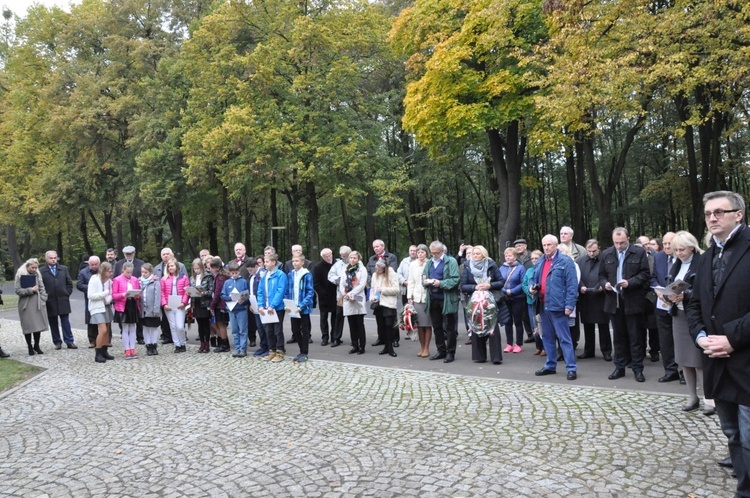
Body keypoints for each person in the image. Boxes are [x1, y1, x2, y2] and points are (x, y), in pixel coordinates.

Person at [686, 191, 750, 498]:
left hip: (745, 359)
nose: (712, 217)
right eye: (709, 213)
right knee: (732, 433)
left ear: (738, 214)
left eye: (719, 212)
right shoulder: (708, 255)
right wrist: (700, 338)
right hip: (714, 358)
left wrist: (731, 338)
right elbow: (694, 303)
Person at [660, 231, 711, 413]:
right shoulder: (676, 264)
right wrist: (668, 295)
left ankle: (709, 399)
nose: (679, 253)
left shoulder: (702, 261)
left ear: (692, 246)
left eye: (682, 249)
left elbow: (706, 289)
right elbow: (673, 284)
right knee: (684, 359)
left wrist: (685, 295)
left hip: (696, 316)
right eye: (676, 250)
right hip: (679, 315)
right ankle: (692, 396)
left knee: (698, 361)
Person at [599, 227, 651, 382]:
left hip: (632, 300)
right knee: (618, 337)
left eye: (622, 243)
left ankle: (637, 369)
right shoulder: (607, 253)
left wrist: (630, 282)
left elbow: (645, 274)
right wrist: (605, 284)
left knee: (635, 337)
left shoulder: (639, 252)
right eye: (616, 243)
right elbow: (601, 275)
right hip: (614, 301)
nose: (619, 246)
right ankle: (619, 367)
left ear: (628, 239)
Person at [530, 235, 579, 380]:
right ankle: (550, 365)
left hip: (558, 305)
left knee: (564, 338)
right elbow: (533, 277)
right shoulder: (540, 261)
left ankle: (571, 368)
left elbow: (572, 285)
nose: (546, 248)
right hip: (543, 303)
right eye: (544, 245)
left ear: (556, 245)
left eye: (549, 245)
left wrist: (570, 305)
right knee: (547, 337)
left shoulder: (566, 261)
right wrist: (533, 287)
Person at [460, 245, 503, 364]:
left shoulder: (491, 264)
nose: (475, 256)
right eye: (474, 254)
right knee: (476, 325)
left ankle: (496, 357)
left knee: (492, 326)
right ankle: (479, 356)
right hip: (474, 301)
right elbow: (463, 285)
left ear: (483, 254)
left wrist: (489, 286)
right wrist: (475, 287)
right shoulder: (467, 266)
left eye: (478, 254)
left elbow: (501, 282)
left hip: (490, 301)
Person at [423, 240, 460, 363]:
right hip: (433, 298)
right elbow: (423, 276)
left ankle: (450, 352)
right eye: (432, 253)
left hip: (447, 299)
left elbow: (455, 279)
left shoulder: (451, 261)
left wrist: (441, 283)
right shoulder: (429, 262)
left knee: (449, 328)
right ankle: (441, 350)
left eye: (436, 253)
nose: (434, 255)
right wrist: (425, 281)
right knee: (437, 327)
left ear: (442, 251)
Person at [575, 240, 613, 361]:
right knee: (587, 326)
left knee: (603, 326)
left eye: (594, 251)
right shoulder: (580, 261)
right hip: (586, 297)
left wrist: (603, 286)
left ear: (599, 248)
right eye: (589, 251)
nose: (592, 253)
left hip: (601, 297)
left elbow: (609, 275)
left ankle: (606, 351)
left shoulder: (605, 259)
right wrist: (580, 286)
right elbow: (576, 276)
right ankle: (589, 350)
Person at [651, 231, 679, 382]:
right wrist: (658, 290)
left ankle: (684, 372)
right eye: (665, 243)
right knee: (665, 337)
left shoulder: (682, 256)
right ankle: (670, 369)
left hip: (679, 301)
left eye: (670, 243)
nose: (667, 246)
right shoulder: (658, 257)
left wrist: (675, 294)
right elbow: (653, 277)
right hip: (661, 302)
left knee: (680, 337)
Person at [39, 250, 76, 350]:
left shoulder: (63, 269)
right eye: (51, 258)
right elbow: (40, 286)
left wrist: (66, 293)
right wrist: (45, 297)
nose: (53, 260)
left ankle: (69, 341)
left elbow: (69, 283)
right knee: (53, 322)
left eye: (55, 258)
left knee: (65, 321)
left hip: (63, 299)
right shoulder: (42, 271)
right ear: (46, 259)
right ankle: (57, 342)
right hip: (50, 300)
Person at [257, 253, 288, 362]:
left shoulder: (280, 275)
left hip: (277, 308)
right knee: (268, 330)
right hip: (266, 308)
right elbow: (260, 291)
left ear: (274, 262)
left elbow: (280, 291)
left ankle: (280, 351)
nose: (265, 264)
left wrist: (272, 305)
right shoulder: (265, 275)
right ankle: (272, 350)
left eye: (267, 261)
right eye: (264, 262)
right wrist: (260, 305)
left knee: (277, 330)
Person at [15, 258, 49, 356]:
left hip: (37, 302)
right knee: (28, 326)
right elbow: (18, 290)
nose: (34, 269)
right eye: (32, 267)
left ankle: (37, 345)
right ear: (27, 266)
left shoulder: (37, 275)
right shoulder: (20, 275)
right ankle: (30, 346)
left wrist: (43, 297)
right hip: (25, 303)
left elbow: (42, 287)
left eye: (36, 267)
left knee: (37, 326)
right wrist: (30, 290)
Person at [154, 247, 187, 344]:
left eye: (167, 254)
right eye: (163, 254)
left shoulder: (182, 270)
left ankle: (182, 341)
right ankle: (173, 341)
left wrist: (184, 302)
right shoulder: (158, 270)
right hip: (167, 302)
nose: (165, 256)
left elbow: (186, 288)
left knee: (180, 324)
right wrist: (164, 303)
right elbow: (161, 290)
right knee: (169, 323)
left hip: (180, 301)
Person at [285, 254, 315, 362]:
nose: (294, 263)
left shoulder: (307, 275)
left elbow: (310, 292)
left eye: (297, 261)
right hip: (293, 307)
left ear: (302, 262)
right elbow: (288, 291)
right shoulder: (290, 274)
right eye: (293, 261)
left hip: (303, 308)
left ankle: (305, 352)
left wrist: (301, 306)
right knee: (295, 329)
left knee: (305, 330)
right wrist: (287, 304)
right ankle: (301, 350)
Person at [339, 251, 368, 355]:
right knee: (351, 324)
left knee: (359, 323)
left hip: (357, 297)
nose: (352, 260)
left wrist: (351, 293)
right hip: (347, 298)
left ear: (358, 259)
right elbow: (342, 283)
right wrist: (345, 294)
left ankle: (362, 346)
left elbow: (362, 284)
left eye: (354, 258)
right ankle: (354, 345)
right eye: (351, 257)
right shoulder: (345, 269)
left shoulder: (362, 269)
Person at [370, 260, 400, 357]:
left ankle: (390, 347)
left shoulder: (391, 274)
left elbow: (396, 289)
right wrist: (372, 298)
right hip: (378, 303)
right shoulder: (375, 275)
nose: (377, 270)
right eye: (376, 268)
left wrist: (382, 289)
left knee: (389, 325)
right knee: (381, 326)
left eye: (379, 268)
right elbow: (372, 288)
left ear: (384, 268)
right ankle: (386, 347)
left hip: (388, 303)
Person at [408, 244, 433, 358]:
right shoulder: (413, 265)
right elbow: (411, 282)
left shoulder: (430, 263)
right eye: (418, 252)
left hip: (427, 297)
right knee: (419, 324)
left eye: (422, 252)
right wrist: (410, 297)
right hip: (417, 297)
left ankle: (427, 347)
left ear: (426, 253)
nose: (420, 254)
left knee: (427, 324)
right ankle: (421, 346)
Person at [112, 262, 141, 359]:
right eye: (127, 272)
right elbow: (114, 295)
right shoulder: (117, 280)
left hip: (132, 304)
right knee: (125, 328)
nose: (129, 274)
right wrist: (123, 295)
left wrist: (137, 296)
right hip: (122, 306)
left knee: (133, 327)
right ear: (123, 270)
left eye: (131, 272)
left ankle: (133, 348)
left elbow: (138, 292)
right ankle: (127, 349)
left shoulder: (135, 279)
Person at [222, 261, 250, 358]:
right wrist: (231, 298)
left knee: (243, 330)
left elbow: (247, 295)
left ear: (239, 271)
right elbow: (223, 295)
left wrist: (244, 300)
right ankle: (236, 348)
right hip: (231, 309)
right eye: (232, 273)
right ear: (229, 273)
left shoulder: (243, 281)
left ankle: (243, 349)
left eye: (236, 273)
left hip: (241, 309)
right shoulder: (227, 283)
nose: (234, 275)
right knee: (234, 330)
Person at [161, 257, 190, 353]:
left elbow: (187, 292)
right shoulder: (164, 279)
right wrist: (164, 304)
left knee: (180, 326)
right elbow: (162, 293)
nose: (170, 268)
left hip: (179, 305)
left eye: (172, 265)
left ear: (176, 266)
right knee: (172, 326)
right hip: (168, 305)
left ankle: (183, 343)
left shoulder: (184, 277)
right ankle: (177, 345)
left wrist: (184, 302)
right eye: (168, 266)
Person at [500, 247, 525, 354]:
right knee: (507, 322)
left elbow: (523, 283)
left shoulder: (521, 268)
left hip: (517, 298)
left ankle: (519, 344)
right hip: (505, 298)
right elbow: (498, 281)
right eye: (506, 256)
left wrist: (512, 291)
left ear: (515, 257)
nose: (508, 257)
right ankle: (509, 344)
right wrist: (505, 291)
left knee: (518, 321)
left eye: (510, 255)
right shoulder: (501, 268)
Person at [88, 262, 114, 363]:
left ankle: (104, 351)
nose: (111, 273)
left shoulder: (109, 281)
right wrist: (105, 293)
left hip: (106, 306)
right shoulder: (94, 279)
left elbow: (112, 293)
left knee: (107, 330)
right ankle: (97, 353)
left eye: (111, 271)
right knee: (102, 330)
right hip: (97, 307)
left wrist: (108, 298)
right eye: (109, 271)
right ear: (103, 271)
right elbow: (90, 295)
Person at [327, 245, 352, 348]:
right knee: (338, 316)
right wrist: (338, 280)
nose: (343, 258)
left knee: (353, 317)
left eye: (345, 255)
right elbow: (330, 275)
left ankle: (355, 338)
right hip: (341, 294)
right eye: (342, 256)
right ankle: (336, 338)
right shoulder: (337, 264)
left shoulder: (357, 263)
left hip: (352, 294)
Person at [312, 248, 337, 346]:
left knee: (335, 317)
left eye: (330, 254)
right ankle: (325, 337)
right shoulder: (318, 267)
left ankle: (335, 336)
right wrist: (323, 293)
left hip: (335, 294)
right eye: (326, 256)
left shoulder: (337, 264)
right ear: (322, 257)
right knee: (323, 318)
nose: (329, 257)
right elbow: (316, 283)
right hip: (324, 296)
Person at [522, 250, 544, 355]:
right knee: (533, 324)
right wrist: (529, 291)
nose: (534, 260)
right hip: (531, 301)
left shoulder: (543, 269)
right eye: (532, 258)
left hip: (540, 301)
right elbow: (524, 284)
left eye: (536, 258)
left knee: (542, 324)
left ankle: (545, 347)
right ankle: (538, 346)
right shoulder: (529, 271)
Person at [190, 258, 214, 353]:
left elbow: (211, 290)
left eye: (198, 268)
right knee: (199, 324)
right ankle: (202, 343)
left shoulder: (208, 276)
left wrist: (203, 293)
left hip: (205, 303)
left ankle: (207, 343)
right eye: (195, 269)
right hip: (196, 303)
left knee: (205, 324)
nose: (196, 271)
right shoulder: (193, 278)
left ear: (202, 267)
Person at [77, 255, 101, 348]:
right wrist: (91, 288)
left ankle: (105, 339)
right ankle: (92, 340)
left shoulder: (103, 271)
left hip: (102, 298)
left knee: (103, 319)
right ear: (88, 264)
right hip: (90, 299)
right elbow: (79, 285)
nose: (94, 266)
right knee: (90, 319)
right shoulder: (83, 272)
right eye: (92, 264)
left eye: (96, 264)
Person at [139, 263, 162, 356]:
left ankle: (154, 345)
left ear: (150, 272)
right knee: (145, 327)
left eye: (146, 272)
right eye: (142, 272)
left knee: (154, 327)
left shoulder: (155, 281)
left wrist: (156, 309)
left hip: (152, 309)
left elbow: (157, 297)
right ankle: (148, 345)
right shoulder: (139, 281)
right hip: (143, 308)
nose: (143, 274)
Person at [209, 257, 231, 353]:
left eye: (212, 268)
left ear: (217, 267)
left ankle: (224, 344)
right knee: (218, 324)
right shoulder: (222, 275)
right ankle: (223, 342)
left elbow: (217, 292)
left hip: (220, 304)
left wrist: (212, 305)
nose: (211, 270)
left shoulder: (220, 277)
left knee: (221, 324)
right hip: (221, 304)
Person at [249, 254, 269, 357]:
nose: (250, 272)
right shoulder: (251, 276)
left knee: (266, 327)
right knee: (259, 327)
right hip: (254, 305)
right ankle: (263, 346)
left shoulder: (262, 274)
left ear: (256, 266)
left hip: (262, 305)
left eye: (251, 269)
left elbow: (262, 291)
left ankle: (269, 347)